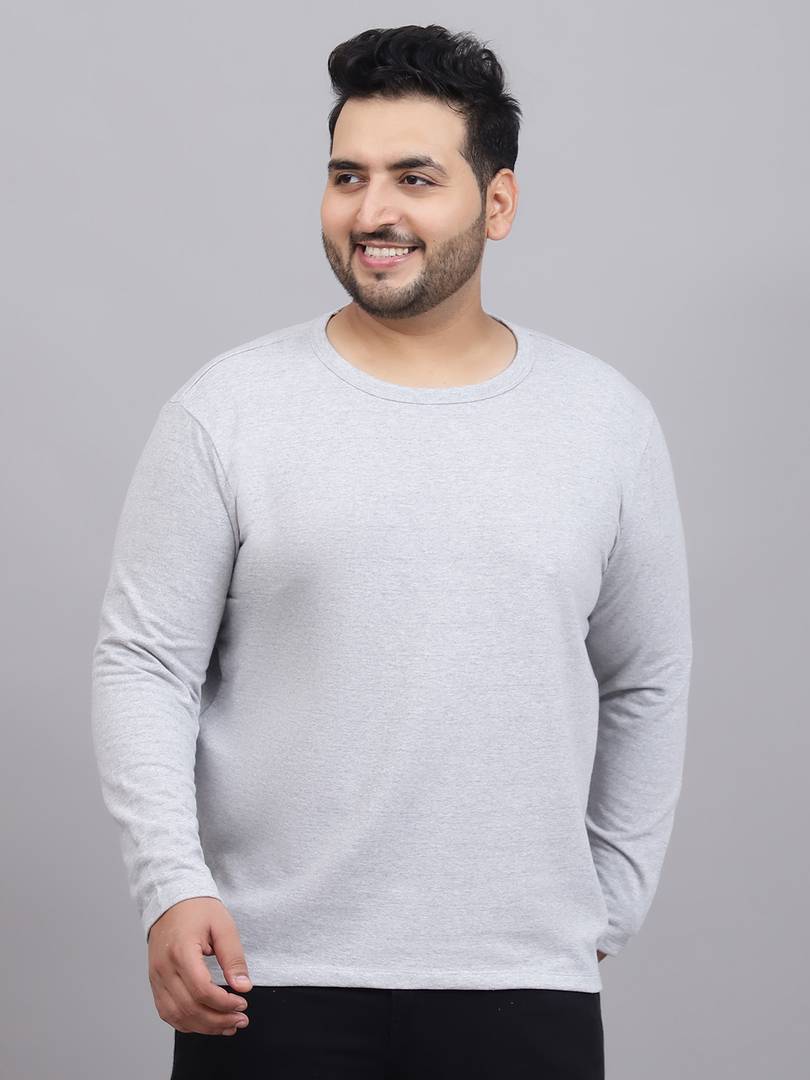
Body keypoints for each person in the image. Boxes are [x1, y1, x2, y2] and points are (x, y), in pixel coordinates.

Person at [90, 23, 693, 1080]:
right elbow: (144, 663)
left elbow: (648, 675)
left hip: (524, 981)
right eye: (347, 176)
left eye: (415, 178)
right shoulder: (227, 410)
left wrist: (611, 897)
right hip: (267, 978)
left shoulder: (605, 422)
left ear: (497, 203)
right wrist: (171, 885)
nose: (373, 212)